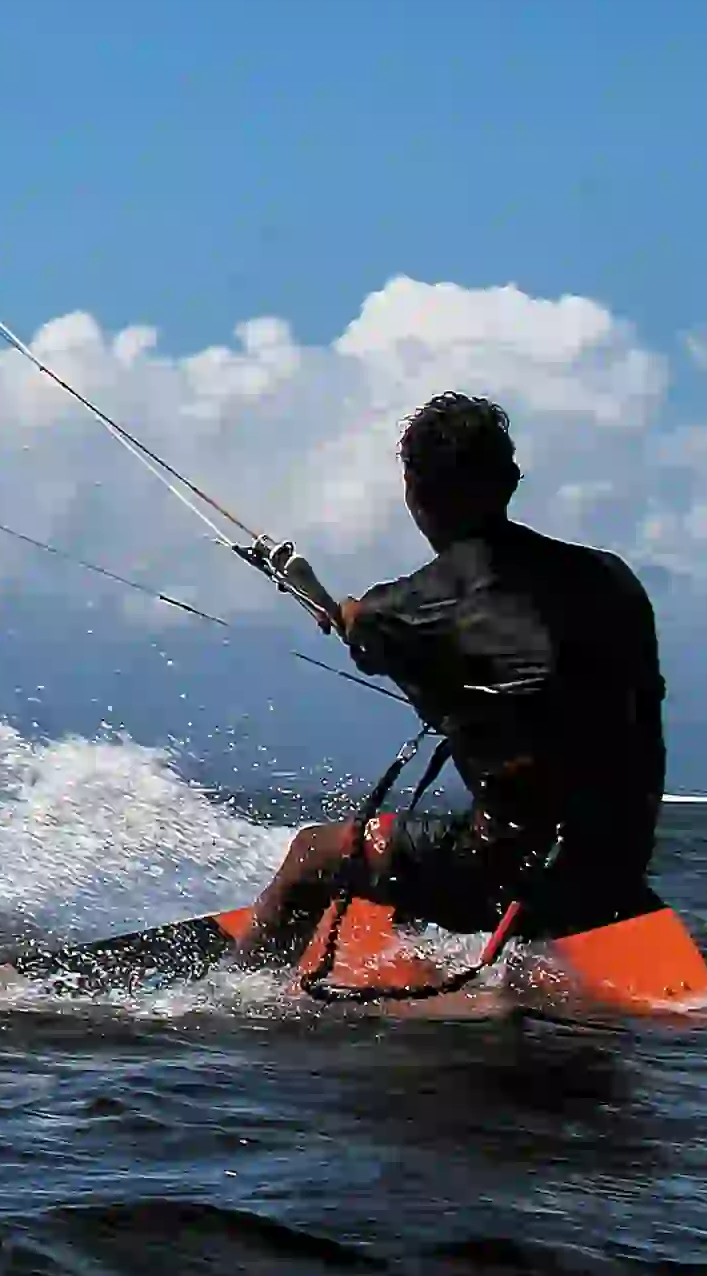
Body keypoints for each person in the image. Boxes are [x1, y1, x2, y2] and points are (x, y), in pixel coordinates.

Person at [236, 391, 667, 959]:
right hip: (619, 864)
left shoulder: (422, 603)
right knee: (449, 833)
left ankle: (240, 994)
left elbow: (366, 627)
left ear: (414, 493)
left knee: (312, 854)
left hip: (512, 878)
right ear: (510, 480)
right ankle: (452, 951)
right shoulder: (612, 579)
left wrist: (339, 609)